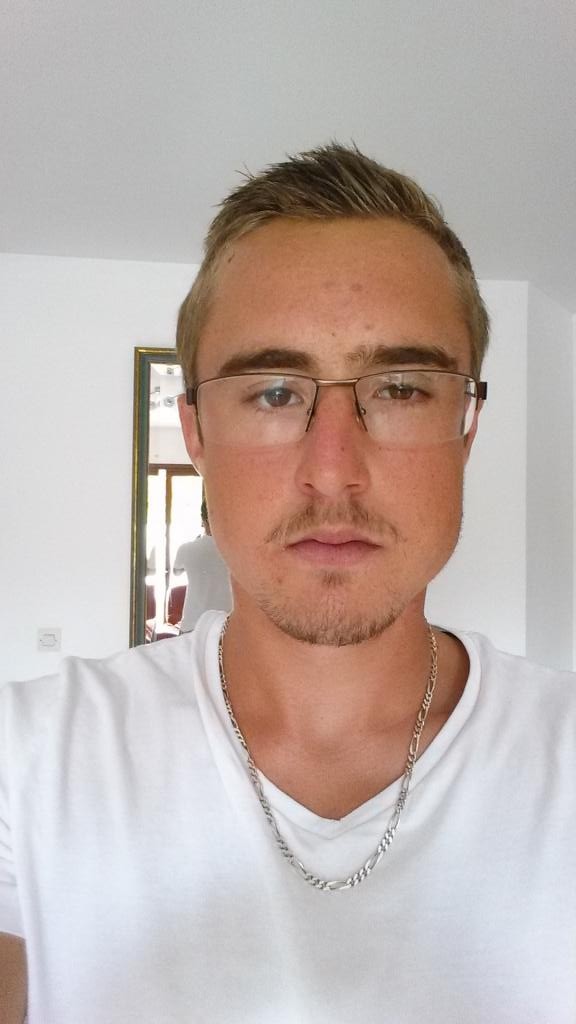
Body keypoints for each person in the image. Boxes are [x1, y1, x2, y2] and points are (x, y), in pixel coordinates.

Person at [1, 144, 575, 1023]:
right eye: (274, 392)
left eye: (400, 388)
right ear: (196, 433)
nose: (333, 470)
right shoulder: (29, 762)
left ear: (466, 430)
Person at [172, 498, 233, 631]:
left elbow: (176, 571)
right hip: (225, 627)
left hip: (192, 624)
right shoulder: (235, 550)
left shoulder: (187, 549)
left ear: (203, 521)